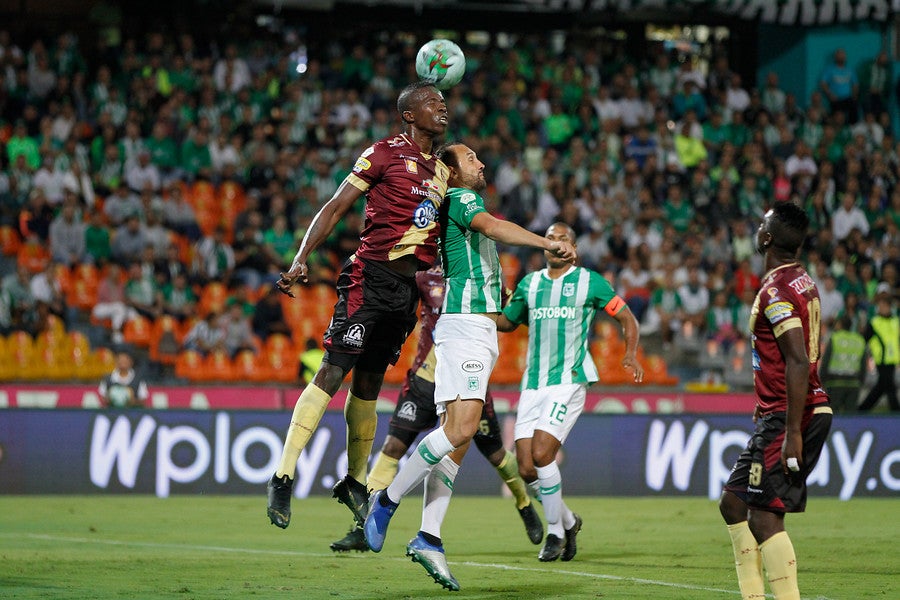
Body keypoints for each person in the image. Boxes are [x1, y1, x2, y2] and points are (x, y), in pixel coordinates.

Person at [363, 142, 576, 591]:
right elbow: (493, 226)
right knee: (460, 431)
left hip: (469, 328)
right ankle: (387, 498)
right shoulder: (461, 197)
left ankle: (429, 537)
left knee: (453, 446)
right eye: (471, 158)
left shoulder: (454, 203)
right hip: (466, 328)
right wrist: (548, 243)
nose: (480, 163)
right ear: (453, 172)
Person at [266, 81, 451, 531]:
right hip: (369, 279)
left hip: (406, 293)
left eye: (443, 102)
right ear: (409, 114)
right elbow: (335, 206)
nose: (442, 107)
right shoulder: (383, 153)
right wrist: (301, 257)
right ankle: (283, 476)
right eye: (432, 102)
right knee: (334, 370)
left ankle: (355, 481)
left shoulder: (443, 172)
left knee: (369, 384)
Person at [329, 264, 542, 552]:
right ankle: (363, 525)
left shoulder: (480, 275)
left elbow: (509, 318)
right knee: (393, 447)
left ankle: (524, 502)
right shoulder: (422, 276)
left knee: (495, 453)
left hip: (465, 377)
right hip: (424, 378)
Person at [496, 222, 643, 562]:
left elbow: (627, 318)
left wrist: (630, 353)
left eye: (562, 238)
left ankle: (555, 533)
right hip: (533, 383)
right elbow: (507, 322)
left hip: (569, 380)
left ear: (573, 248)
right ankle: (569, 522)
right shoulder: (530, 284)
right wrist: (481, 309)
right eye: (550, 238)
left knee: (542, 453)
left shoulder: (589, 282)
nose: (555, 242)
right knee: (526, 467)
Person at [719, 202, 832, 600]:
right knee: (734, 504)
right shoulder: (800, 279)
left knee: (765, 517)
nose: (758, 227)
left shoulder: (776, 290)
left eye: (762, 223)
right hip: (782, 408)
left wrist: (792, 431)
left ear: (767, 238)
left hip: (790, 415)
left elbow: (798, 359)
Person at [857, 295, 899, 412]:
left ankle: (862, 409)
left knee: (882, 386)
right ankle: (896, 411)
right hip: (881, 359)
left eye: (884, 306)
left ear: (889, 307)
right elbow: (865, 339)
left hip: (892, 359)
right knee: (889, 386)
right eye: (880, 306)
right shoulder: (875, 322)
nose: (882, 308)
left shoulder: (895, 321)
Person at [819, 314, 867, 413]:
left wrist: (822, 380)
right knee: (851, 415)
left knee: (834, 414)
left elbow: (826, 361)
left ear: (840, 324)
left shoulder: (834, 338)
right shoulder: (859, 340)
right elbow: (863, 364)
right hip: (854, 383)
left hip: (835, 383)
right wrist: (861, 381)